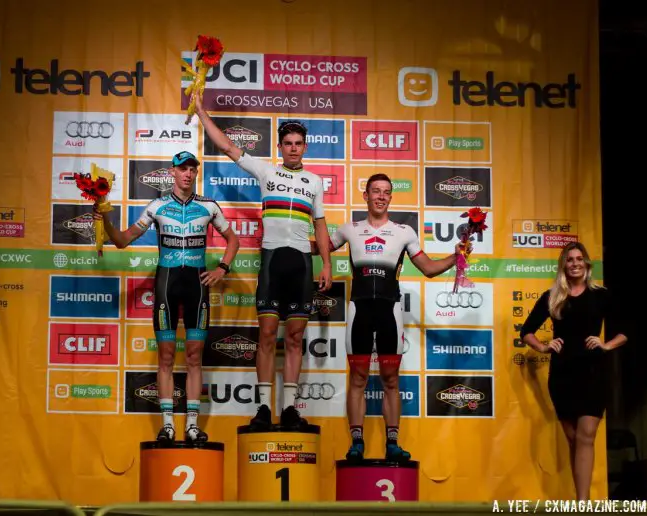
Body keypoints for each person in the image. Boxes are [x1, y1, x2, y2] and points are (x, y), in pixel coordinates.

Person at [195, 95, 332, 430]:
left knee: (296, 337)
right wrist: (201, 112)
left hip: (301, 263)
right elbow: (228, 147)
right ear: (281, 146)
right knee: (268, 334)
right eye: (288, 143)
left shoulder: (314, 183)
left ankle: (289, 410)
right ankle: (262, 409)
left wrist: (326, 264)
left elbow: (320, 225)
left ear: (305, 146)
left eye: (299, 144)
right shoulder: (266, 171)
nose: (294, 149)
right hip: (272, 261)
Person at [315, 173, 463, 461]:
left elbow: (429, 268)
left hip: (389, 311)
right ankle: (356, 442)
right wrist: (287, 239)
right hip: (358, 309)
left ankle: (392, 443)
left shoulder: (404, 231)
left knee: (390, 379)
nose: (381, 196)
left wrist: (455, 256)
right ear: (366, 196)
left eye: (386, 192)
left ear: (391, 197)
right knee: (357, 378)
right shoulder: (349, 228)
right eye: (375, 191)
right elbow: (321, 246)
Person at [95, 150, 240, 443]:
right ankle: (168, 425)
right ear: (172, 172)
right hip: (166, 284)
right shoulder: (157, 206)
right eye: (182, 168)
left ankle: (192, 426)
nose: (188, 173)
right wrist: (106, 219)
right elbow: (122, 241)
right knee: (166, 356)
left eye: (192, 169)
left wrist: (222, 268)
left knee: (195, 356)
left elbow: (233, 240)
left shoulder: (209, 206)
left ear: (196, 173)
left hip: (197, 285)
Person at [520, 242, 626, 500]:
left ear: (587, 264)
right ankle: (580, 498)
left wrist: (606, 344)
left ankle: (583, 503)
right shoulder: (553, 296)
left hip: (593, 371)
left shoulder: (601, 295)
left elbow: (624, 332)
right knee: (573, 439)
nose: (575, 263)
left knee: (586, 436)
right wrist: (544, 348)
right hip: (563, 374)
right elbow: (526, 332)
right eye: (570, 260)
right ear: (563, 266)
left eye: (579, 259)